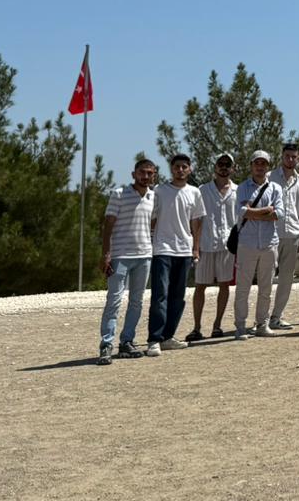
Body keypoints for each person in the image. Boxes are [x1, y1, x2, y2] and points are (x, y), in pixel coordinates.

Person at [97, 157, 158, 363]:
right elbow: (108, 225)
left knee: (136, 302)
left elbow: (153, 225)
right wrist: (106, 253)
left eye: (150, 173)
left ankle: (127, 341)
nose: (146, 176)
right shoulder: (119, 194)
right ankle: (106, 344)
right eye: (142, 172)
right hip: (120, 256)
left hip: (144, 256)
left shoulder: (153, 197)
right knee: (114, 301)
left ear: (154, 175)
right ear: (134, 174)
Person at [146, 153, 207, 354]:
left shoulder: (195, 193)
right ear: (171, 169)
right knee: (160, 295)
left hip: (184, 250)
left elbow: (197, 222)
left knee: (178, 296)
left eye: (184, 167)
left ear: (190, 169)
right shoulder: (160, 191)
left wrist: (196, 248)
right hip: (162, 249)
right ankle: (154, 338)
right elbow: (151, 219)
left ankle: (168, 336)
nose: (180, 170)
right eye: (177, 167)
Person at [233, 152, 285, 338]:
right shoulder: (242, 187)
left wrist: (254, 212)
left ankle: (262, 324)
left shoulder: (276, 188)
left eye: (264, 163)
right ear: (251, 165)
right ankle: (240, 326)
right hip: (247, 244)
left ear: (268, 166)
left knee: (266, 287)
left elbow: (278, 214)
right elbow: (242, 212)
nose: (260, 167)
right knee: (243, 288)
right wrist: (265, 210)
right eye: (257, 163)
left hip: (270, 243)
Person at [188, 154, 237, 341]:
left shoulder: (237, 190)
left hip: (227, 246)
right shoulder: (202, 190)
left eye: (227, 164)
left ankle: (217, 325)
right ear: (214, 166)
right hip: (206, 244)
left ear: (233, 168)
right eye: (221, 164)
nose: (224, 167)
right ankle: (197, 327)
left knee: (224, 284)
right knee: (200, 286)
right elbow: (196, 219)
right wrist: (195, 245)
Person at [267, 143, 299, 330]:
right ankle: (260, 319)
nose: (290, 160)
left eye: (294, 157)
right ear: (282, 156)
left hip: (293, 233)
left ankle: (276, 317)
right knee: (266, 277)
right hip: (271, 233)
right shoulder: (269, 178)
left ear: (298, 158)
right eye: (287, 156)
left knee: (286, 278)